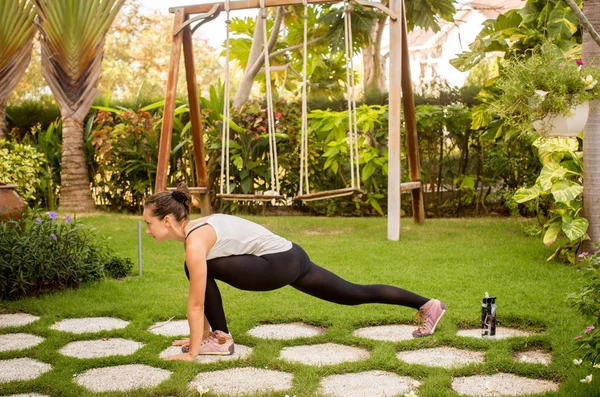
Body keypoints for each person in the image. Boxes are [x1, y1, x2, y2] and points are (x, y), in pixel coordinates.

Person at [144, 184, 447, 362]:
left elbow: (197, 303)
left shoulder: (195, 243)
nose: (147, 230)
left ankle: (220, 340)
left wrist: (192, 351)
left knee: (196, 268)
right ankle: (427, 304)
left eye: (149, 223)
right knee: (353, 293)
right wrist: (198, 335)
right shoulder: (200, 227)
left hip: (277, 265)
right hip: (292, 256)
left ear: (168, 220)